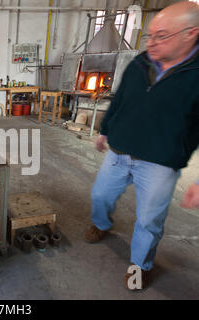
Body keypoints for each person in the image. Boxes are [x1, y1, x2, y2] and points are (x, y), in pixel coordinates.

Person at [84, 1, 199, 290]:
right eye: (149, 35)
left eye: (162, 35)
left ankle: (139, 267)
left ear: (191, 34)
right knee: (100, 196)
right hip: (120, 151)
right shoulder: (140, 62)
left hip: (160, 162)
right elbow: (120, 98)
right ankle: (101, 224)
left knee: (148, 221)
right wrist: (106, 130)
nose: (152, 42)